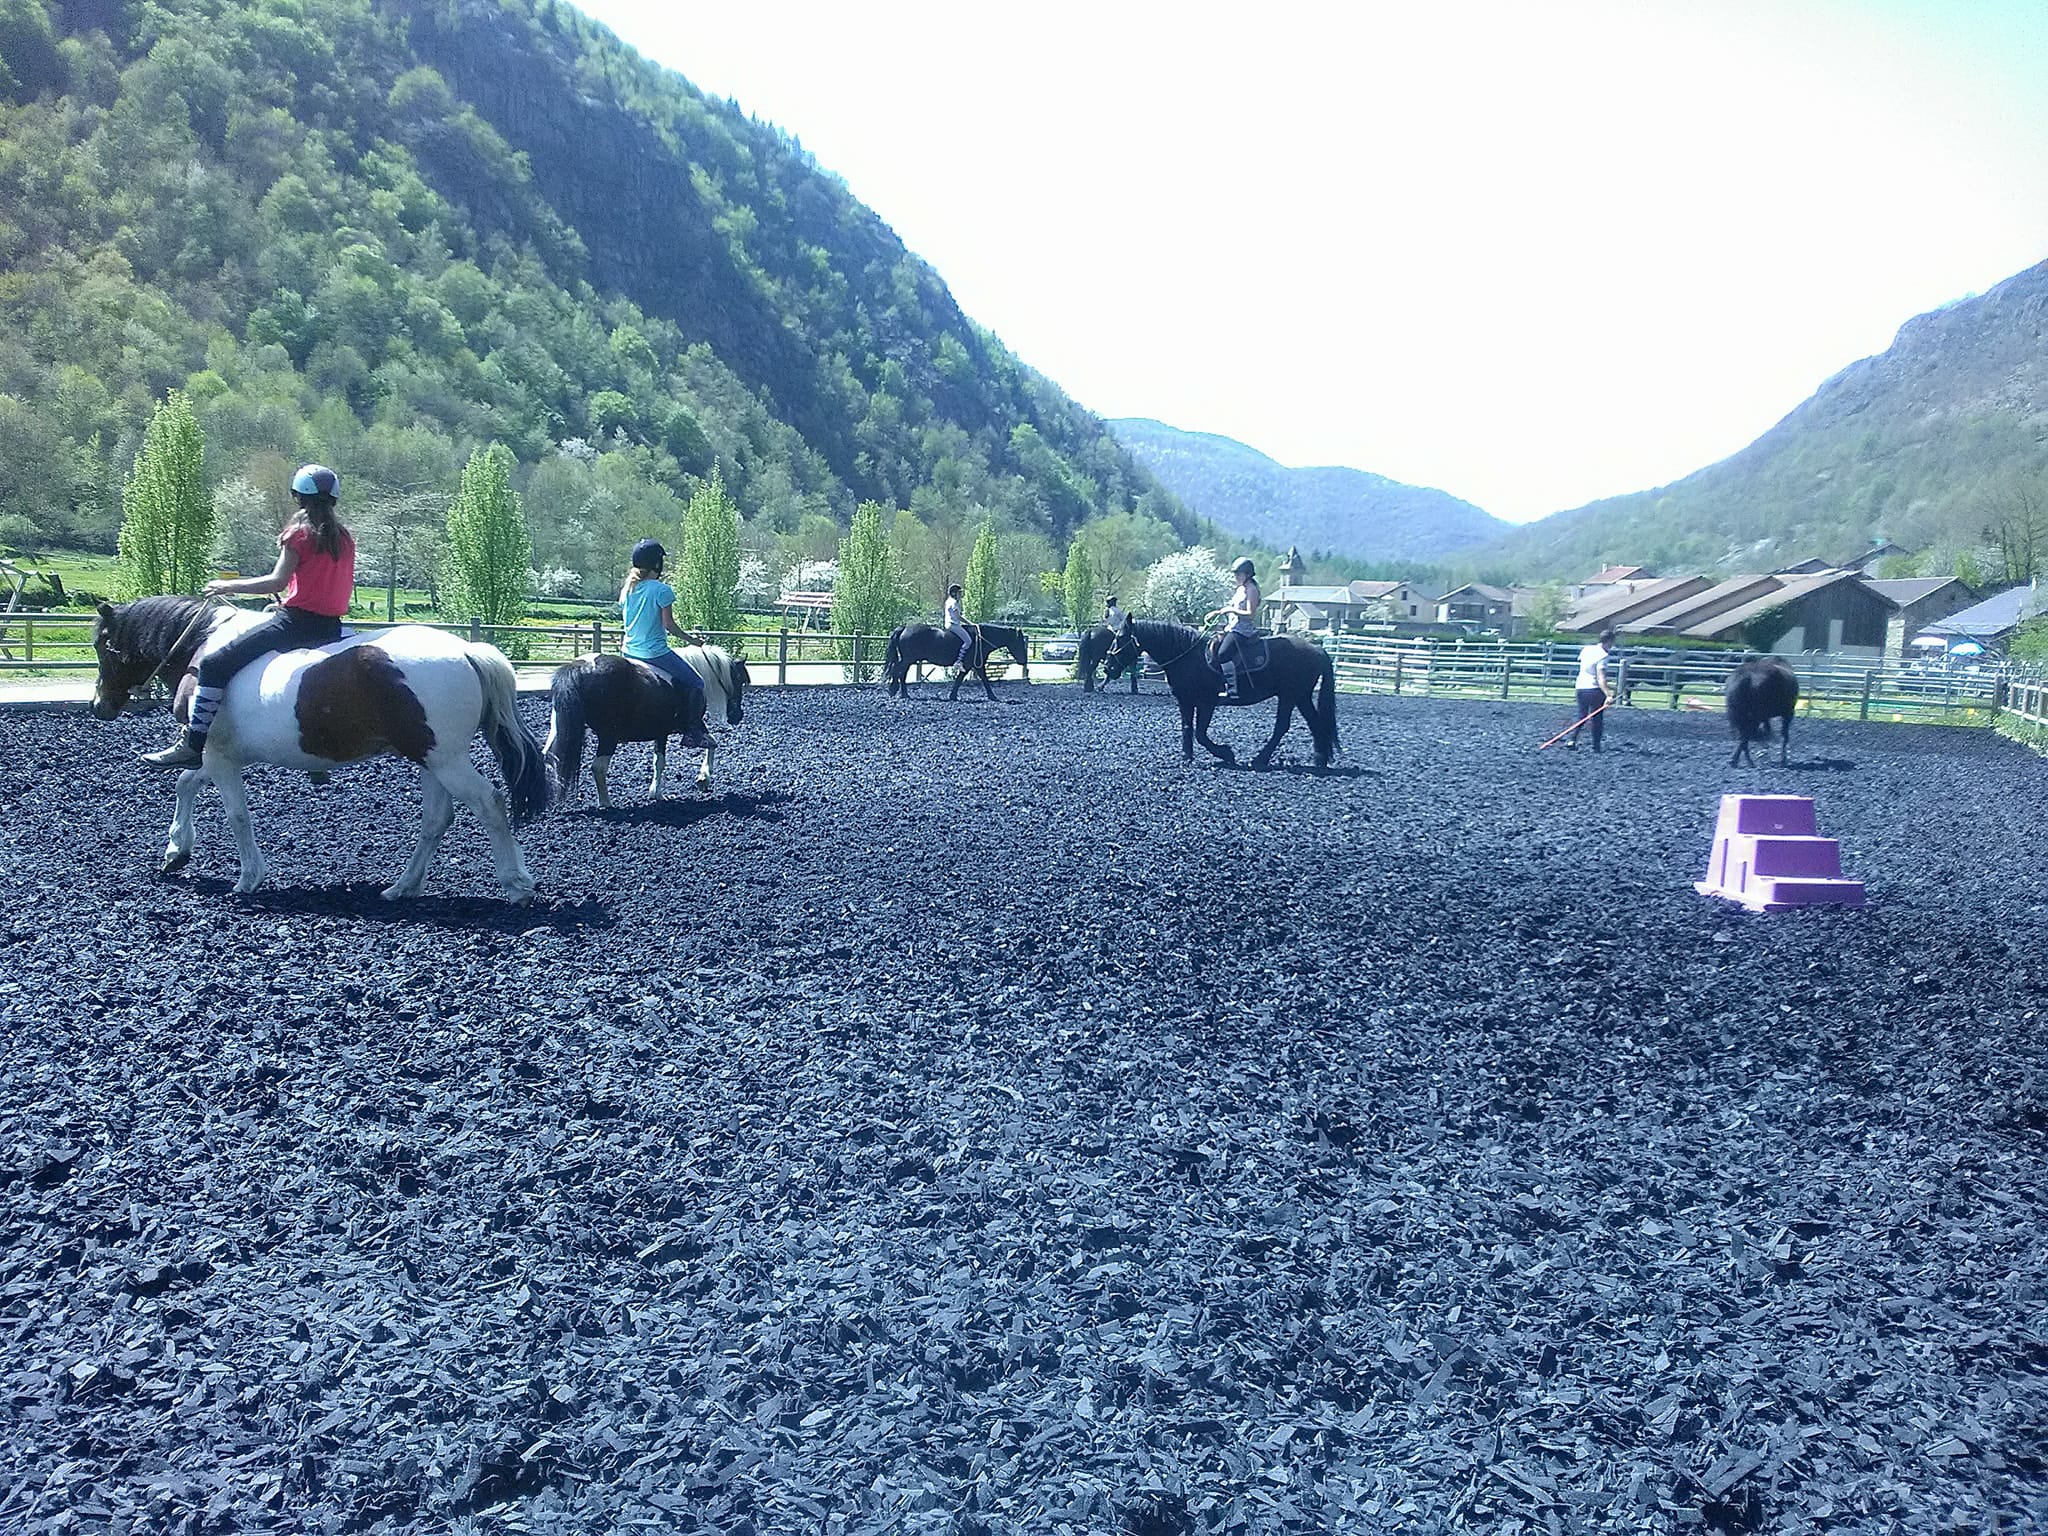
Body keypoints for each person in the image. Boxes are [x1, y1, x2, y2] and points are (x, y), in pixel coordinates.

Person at [143, 464, 357, 768]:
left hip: (295, 625)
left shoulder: (299, 535)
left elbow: (276, 582)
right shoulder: (344, 538)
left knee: (214, 665)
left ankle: (193, 742)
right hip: (331, 627)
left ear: (298, 496)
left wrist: (228, 586)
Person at [620, 539, 714, 749]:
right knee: (697, 683)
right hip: (654, 653)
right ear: (657, 564)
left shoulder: (627, 589)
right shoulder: (661, 590)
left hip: (628, 652)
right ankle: (692, 732)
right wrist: (692, 641)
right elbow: (669, 625)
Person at [1206, 556, 1262, 692]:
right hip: (1232, 628)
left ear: (1247, 574)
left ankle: (1231, 687)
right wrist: (1217, 612)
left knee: (1223, 654)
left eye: (1238, 573)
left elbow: (1250, 613)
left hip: (1242, 631)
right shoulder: (1240, 589)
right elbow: (1231, 607)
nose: (1236, 576)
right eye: (1235, 573)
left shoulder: (1251, 590)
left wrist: (1231, 610)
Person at [1568, 629, 1619, 751]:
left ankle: (1572, 739)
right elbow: (1600, 676)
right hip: (1594, 689)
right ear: (1609, 641)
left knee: (1582, 715)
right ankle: (1596, 745)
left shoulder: (1587, 649)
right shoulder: (1603, 655)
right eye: (1611, 643)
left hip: (1580, 686)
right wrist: (1608, 694)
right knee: (1597, 717)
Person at [943, 583, 975, 673]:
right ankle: (958, 661)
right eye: (959, 593)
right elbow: (958, 617)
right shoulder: (953, 602)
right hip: (953, 625)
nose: (960, 595)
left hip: (950, 624)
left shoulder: (948, 601)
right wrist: (970, 623)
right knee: (968, 641)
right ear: (954, 593)